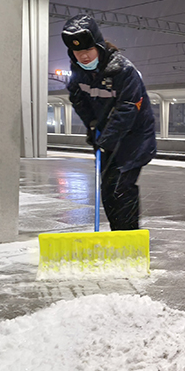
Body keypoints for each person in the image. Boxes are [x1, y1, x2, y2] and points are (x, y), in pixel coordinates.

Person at [62, 14, 156, 231]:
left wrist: (107, 138)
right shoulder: (78, 72)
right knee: (107, 189)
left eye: (88, 50)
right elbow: (77, 98)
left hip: (134, 139)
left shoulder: (123, 70)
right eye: (78, 52)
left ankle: (128, 236)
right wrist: (92, 124)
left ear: (99, 46)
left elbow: (128, 108)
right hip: (106, 136)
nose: (83, 56)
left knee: (121, 187)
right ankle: (117, 234)